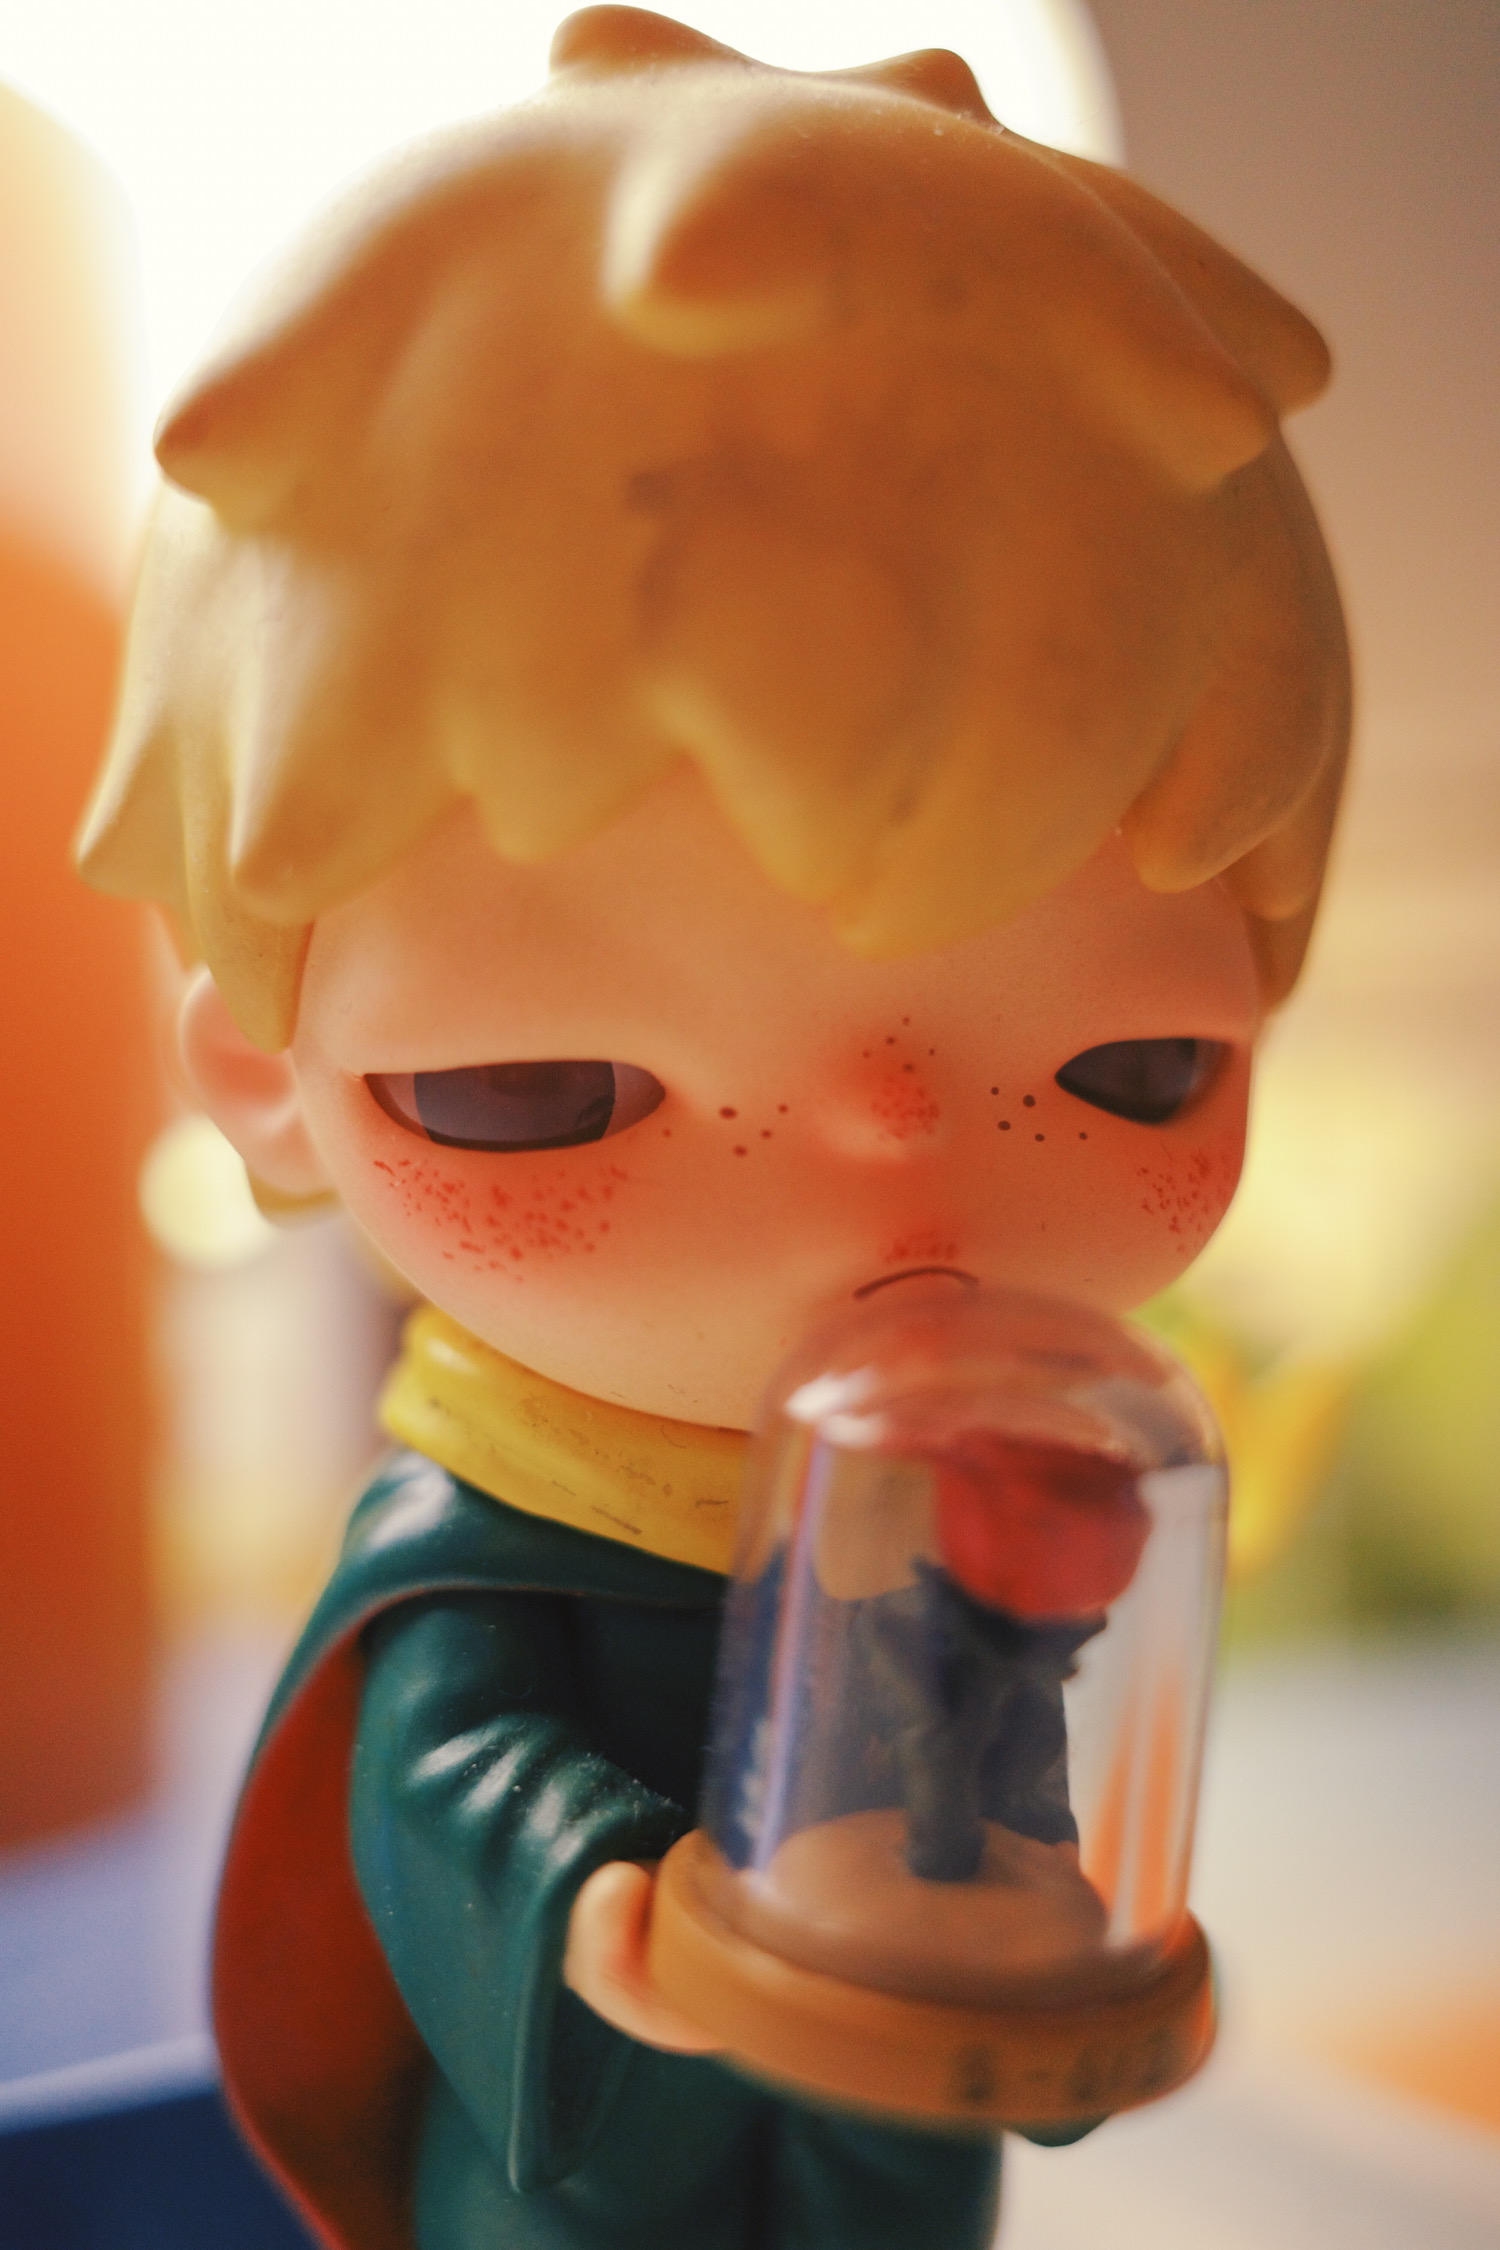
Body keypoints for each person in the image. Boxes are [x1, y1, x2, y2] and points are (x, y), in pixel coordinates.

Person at [76, 8, 1348, 2245]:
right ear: (265, 1078)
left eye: (1128, 1071)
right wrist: (597, 1908)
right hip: (590, 2131)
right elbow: (439, 1769)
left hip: (894, 2080)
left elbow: (1023, 1744)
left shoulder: (1007, 1456)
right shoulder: (480, 1554)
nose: (892, 1169)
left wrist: (1042, 1906)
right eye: (543, 1096)